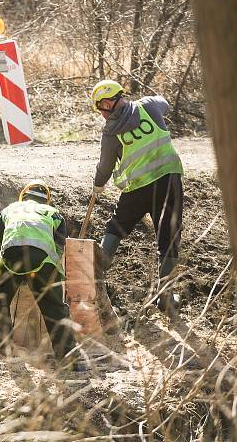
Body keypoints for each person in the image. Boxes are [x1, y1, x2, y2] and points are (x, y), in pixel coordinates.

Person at [90, 79, 183, 316]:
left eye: (102, 107)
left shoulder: (110, 133)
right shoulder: (149, 106)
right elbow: (164, 103)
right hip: (168, 180)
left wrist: (98, 186)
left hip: (138, 188)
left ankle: (92, 280)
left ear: (109, 103)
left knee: (116, 227)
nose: (102, 113)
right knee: (168, 237)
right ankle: (166, 297)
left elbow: (105, 166)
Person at [0, 181, 85, 371]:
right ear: (46, 200)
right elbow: (58, 250)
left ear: (23, 196)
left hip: (10, 259)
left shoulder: (9, 210)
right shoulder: (54, 214)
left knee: (0, 301)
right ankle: (70, 361)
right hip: (42, 263)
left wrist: (10, 264)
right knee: (55, 310)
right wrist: (44, 272)